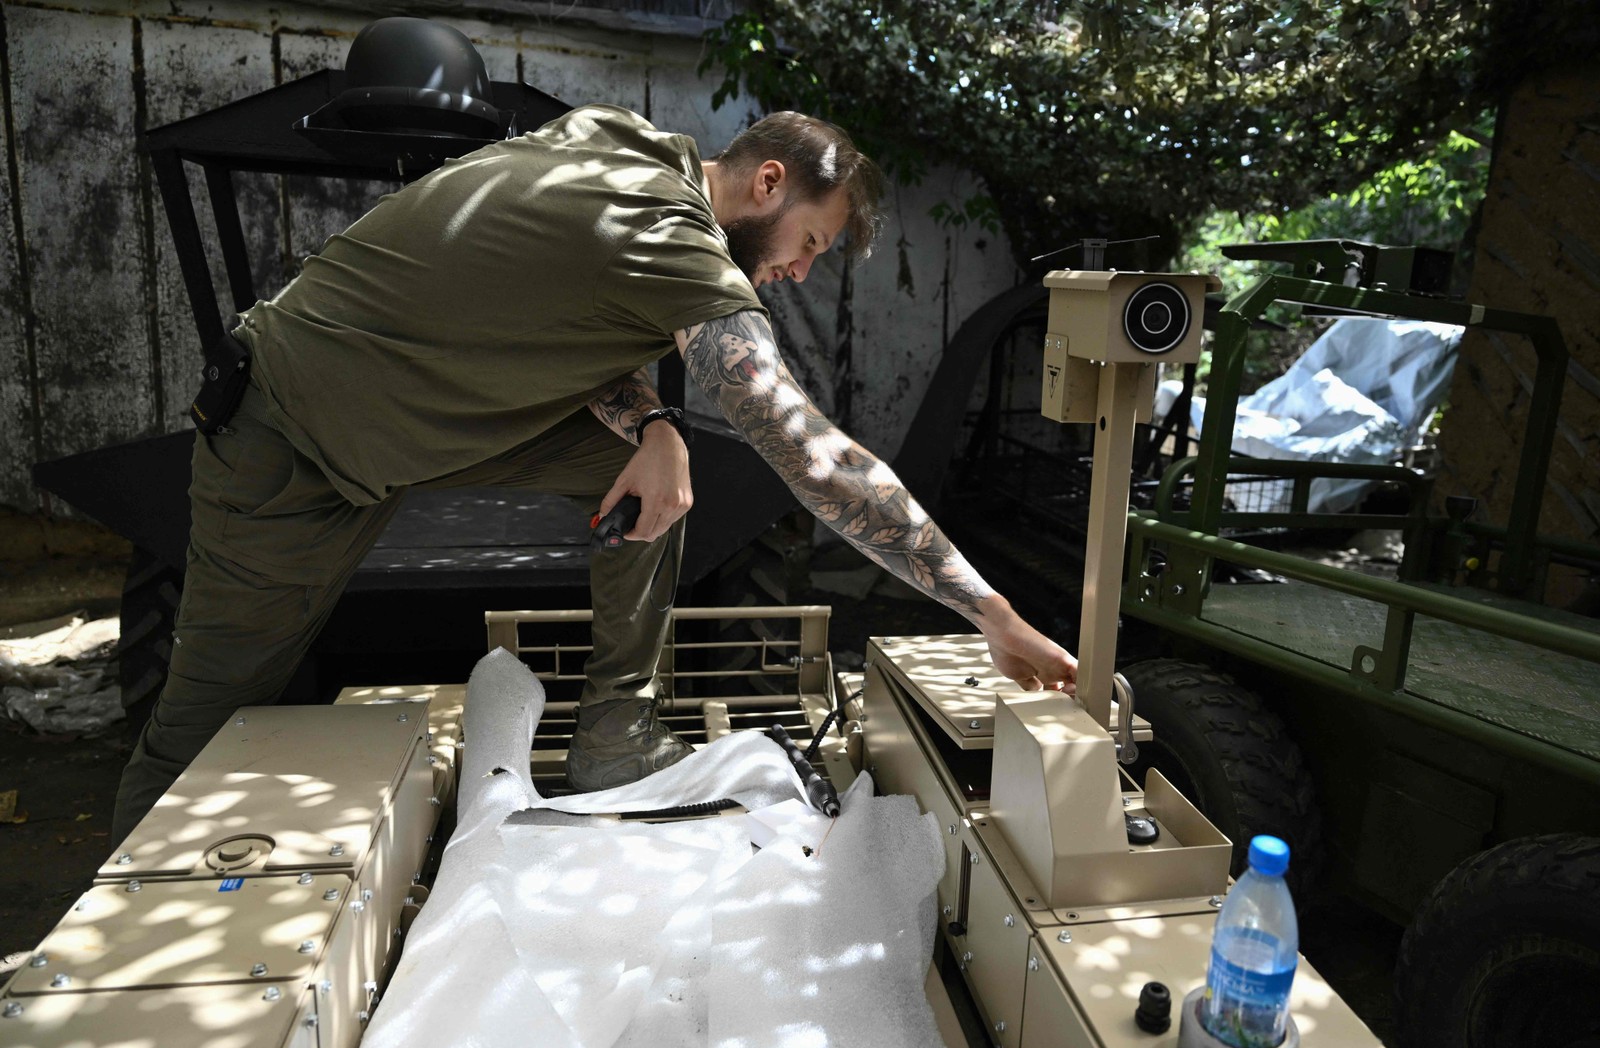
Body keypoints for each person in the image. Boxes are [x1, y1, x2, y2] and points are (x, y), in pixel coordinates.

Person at [110, 104, 1077, 842]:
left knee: (654, 468)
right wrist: (989, 610)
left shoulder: (621, 140)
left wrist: (654, 422)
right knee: (202, 726)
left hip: (411, 424)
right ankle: (107, 941)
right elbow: (810, 452)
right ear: (769, 183)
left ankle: (614, 733)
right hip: (292, 445)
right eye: (810, 244)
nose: (799, 273)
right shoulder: (678, 241)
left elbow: (558, 297)